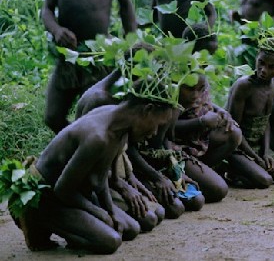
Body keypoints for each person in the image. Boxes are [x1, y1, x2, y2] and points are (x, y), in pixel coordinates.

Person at [16, 91, 174, 254]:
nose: (155, 132)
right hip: (48, 194)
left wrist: (110, 210)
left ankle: (78, 227)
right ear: (147, 110)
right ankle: (36, 217)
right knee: (110, 241)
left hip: (76, 191)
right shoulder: (98, 136)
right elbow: (62, 190)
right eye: (157, 124)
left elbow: (101, 176)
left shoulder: (120, 126)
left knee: (132, 228)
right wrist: (101, 213)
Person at [41, 0, 137, 134]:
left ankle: (94, 158)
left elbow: (125, 5)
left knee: (94, 116)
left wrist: (132, 45)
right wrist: (57, 30)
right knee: (53, 117)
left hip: (98, 55)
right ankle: (74, 146)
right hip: (69, 55)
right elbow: (47, 10)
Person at [75, 70, 165, 233]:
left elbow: (119, 148)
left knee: (157, 212)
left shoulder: (125, 102)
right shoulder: (101, 100)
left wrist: (130, 178)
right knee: (144, 221)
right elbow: (92, 165)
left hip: (107, 176)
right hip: (90, 179)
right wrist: (119, 187)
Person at [226, 39, 274, 188]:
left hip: (258, 146)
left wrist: (267, 152)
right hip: (238, 146)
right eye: (261, 63)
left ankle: (249, 169)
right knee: (265, 180)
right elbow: (233, 130)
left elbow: (265, 121)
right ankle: (231, 171)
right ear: (256, 57)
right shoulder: (244, 86)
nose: (264, 70)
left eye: (271, 67)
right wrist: (256, 158)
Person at [173, 73, 242, 202]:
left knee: (233, 132)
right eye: (190, 89)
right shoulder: (171, 93)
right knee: (219, 190)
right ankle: (188, 178)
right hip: (177, 149)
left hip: (197, 142)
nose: (196, 95)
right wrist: (201, 122)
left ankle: (202, 171)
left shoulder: (199, 79)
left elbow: (204, 102)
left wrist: (220, 110)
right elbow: (166, 129)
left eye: (200, 90)